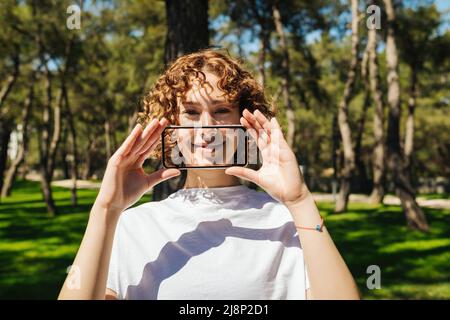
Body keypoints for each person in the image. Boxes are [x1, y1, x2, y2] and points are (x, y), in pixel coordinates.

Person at [58, 49, 360, 300]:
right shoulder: (132, 225)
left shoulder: (287, 222)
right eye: (191, 112)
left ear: (244, 122)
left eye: (221, 110)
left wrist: (300, 201)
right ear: (170, 124)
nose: (206, 128)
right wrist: (106, 210)